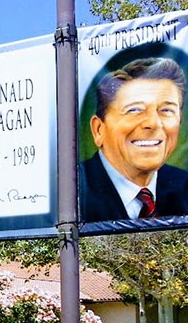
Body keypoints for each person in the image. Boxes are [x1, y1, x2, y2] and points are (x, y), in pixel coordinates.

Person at [80, 57, 188, 223]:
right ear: (98, 129)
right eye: (134, 110)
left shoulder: (184, 185)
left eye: (166, 110)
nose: (153, 123)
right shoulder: (70, 194)